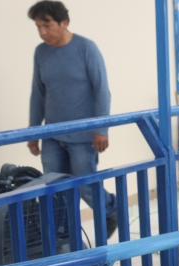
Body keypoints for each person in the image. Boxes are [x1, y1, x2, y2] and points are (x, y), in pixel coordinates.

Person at [27, 1, 117, 236]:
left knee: (86, 185)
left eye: (47, 25)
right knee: (53, 186)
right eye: (38, 27)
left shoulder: (86, 48)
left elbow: (101, 91)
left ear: (64, 23)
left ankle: (110, 211)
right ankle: (63, 234)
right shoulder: (41, 52)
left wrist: (101, 129)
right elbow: (38, 94)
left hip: (83, 135)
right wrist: (33, 132)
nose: (42, 32)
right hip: (52, 135)